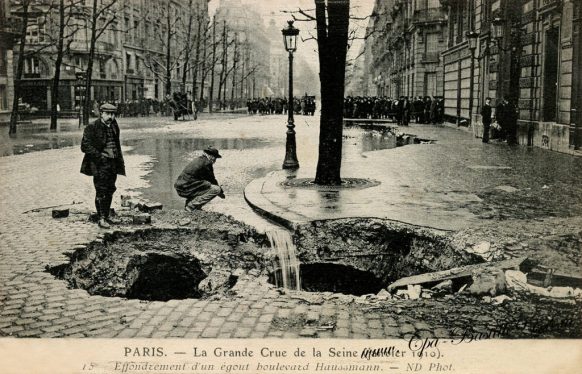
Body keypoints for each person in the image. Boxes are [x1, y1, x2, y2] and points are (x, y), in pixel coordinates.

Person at [80, 103, 125, 229]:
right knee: (101, 190)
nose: (111, 117)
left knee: (110, 189)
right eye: (108, 114)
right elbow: (85, 146)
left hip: (113, 163)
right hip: (100, 164)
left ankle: (106, 215)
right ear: (101, 114)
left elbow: (116, 144)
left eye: (113, 114)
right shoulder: (92, 127)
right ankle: (101, 218)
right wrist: (100, 157)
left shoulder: (114, 125)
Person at [174, 146, 225, 211]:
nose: (215, 160)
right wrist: (220, 192)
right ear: (211, 156)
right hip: (186, 188)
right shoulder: (207, 163)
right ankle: (192, 206)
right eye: (215, 158)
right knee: (216, 189)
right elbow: (212, 179)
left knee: (204, 185)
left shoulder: (199, 160)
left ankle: (191, 206)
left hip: (180, 187)